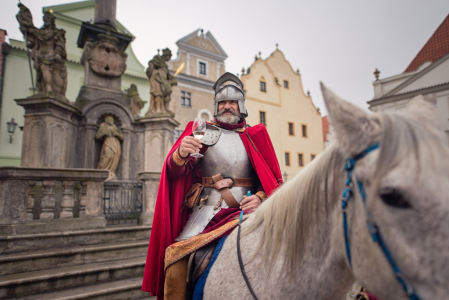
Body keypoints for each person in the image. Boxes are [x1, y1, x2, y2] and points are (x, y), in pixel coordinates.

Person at [142, 72, 283, 299]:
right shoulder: (201, 130)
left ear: (241, 105)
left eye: (232, 102)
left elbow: (273, 181)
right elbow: (175, 171)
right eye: (222, 102)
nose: (227, 106)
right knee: (175, 266)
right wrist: (180, 153)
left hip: (245, 211)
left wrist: (260, 197)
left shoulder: (255, 136)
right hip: (205, 212)